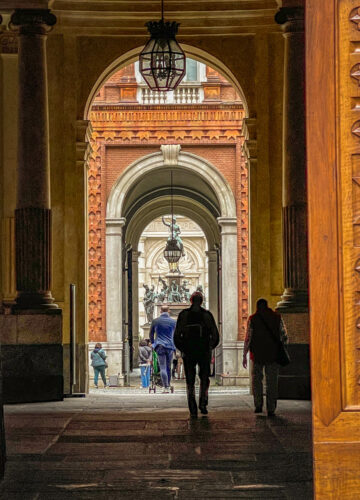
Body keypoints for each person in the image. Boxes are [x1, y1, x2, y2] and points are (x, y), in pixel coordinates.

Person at [174, 292, 220, 418]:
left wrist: (182, 348)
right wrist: (210, 347)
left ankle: (192, 406)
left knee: (190, 380)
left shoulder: (184, 315)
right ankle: (203, 403)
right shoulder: (207, 315)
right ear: (201, 301)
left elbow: (177, 335)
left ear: (190, 300)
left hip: (189, 351)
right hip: (204, 350)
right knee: (204, 378)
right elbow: (215, 335)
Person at [243, 298, 288, 416]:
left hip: (257, 354)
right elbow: (284, 335)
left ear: (257, 307)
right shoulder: (277, 317)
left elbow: (248, 337)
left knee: (257, 380)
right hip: (273, 354)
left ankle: (258, 405)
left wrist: (245, 354)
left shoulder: (253, 319)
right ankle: (271, 407)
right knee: (272, 381)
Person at [150, 305, 176, 393]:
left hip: (160, 346)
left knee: (163, 367)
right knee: (169, 367)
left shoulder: (155, 321)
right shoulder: (173, 322)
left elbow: (151, 334)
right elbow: (176, 335)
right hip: (170, 346)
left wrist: (153, 344)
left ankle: (165, 386)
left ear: (160, 311)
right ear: (168, 311)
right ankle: (168, 385)